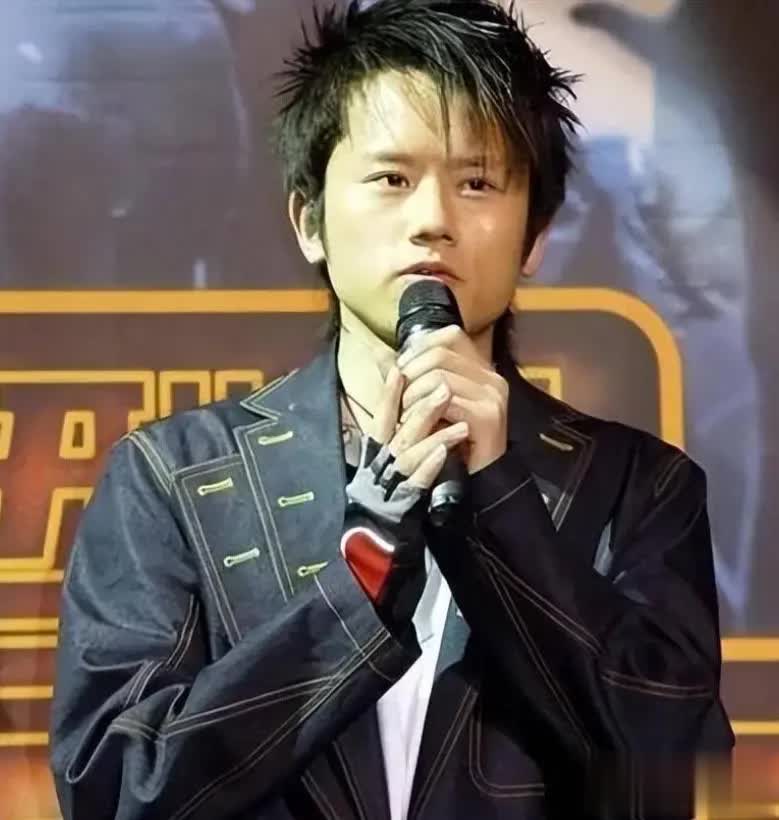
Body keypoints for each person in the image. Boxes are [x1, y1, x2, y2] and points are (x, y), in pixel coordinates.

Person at [50, 1, 734, 818]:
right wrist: (361, 585)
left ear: (535, 237)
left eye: (476, 182)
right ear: (310, 222)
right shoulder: (174, 478)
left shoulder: (636, 486)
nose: (432, 221)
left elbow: (673, 773)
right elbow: (114, 790)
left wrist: (502, 505)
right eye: (391, 179)